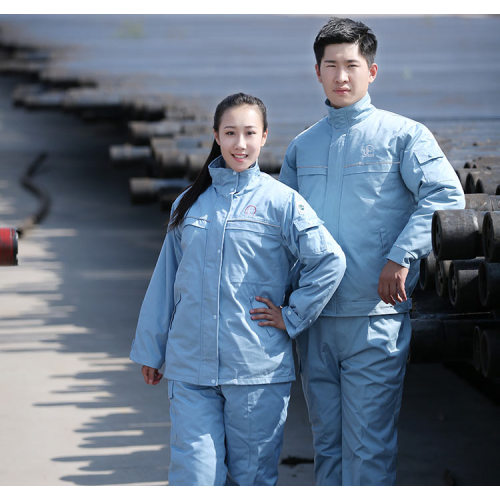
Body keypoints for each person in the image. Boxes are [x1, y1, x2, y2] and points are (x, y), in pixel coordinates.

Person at [279, 17, 465, 485]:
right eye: (331, 65)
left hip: (373, 319)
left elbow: (445, 196)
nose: (342, 76)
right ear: (316, 72)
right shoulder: (304, 146)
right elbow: (280, 227)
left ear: (373, 71)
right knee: (327, 448)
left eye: (352, 65)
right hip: (316, 322)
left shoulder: (404, 136)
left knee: (368, 448)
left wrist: (401, 255)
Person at [130, 92, 346, 486]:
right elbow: (166, 279)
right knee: (195, 478)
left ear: (265, 137)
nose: (240, 144)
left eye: (249, 133)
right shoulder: (189, 204)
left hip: (255, 371)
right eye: (230, 133)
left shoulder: (282, 202)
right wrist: (152, 348)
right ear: (216, 136)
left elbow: (329, 260)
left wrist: (292, 315)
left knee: (252, 481)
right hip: (191, 368)